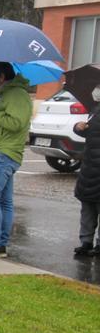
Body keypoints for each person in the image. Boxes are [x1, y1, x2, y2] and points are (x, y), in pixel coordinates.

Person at [0, 62, 34, 258]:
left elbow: (16, 124)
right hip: (0, 152)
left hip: (4, 154)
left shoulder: (17, 95)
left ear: (1, 77)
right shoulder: (5, 96)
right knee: (4, 201)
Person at [73, 86, 100, 257]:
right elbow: (89, 132)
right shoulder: (95, 110)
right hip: (89, 166)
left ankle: (92, 243)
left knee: (92, 205)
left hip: (93, 166)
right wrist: (78, 127)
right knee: (88, 206)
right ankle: (86, 242)